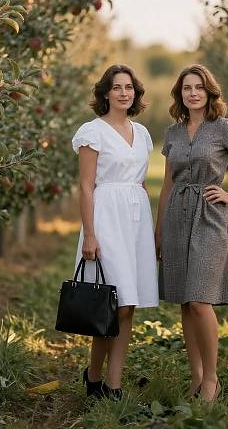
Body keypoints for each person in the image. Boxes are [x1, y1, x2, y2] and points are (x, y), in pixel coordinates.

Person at [155, 64, 228, 402]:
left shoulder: (224, 129)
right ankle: (196, 377)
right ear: (179, 94)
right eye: (186, 88)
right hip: (177, 215)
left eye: (198, 88)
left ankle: (212, 380)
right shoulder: (172, 134)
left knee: (200, 299)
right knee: (184, 302)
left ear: (209, 93)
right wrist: (158, 232)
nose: (192, 93)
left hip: (209, 216)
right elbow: (166, 185)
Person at [71, 64, 159, 399]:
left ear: (135, 93)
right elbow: (86, 186)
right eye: (117, 87)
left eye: (129, 87)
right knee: (110, 302)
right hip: (106, 218)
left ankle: (114, 384)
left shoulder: (143, 134)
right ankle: (93, 377)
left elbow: (139, 180)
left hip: (134, 218)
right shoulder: (93, 132)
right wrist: (90, 234)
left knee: (128, 304)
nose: (124, 92)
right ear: (106, 93)